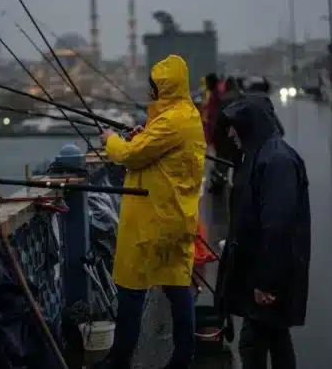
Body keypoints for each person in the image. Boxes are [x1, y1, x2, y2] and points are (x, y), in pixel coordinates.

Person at [97, 54, 206, 369]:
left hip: (153, 221)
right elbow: (156, 148)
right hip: (176, 216)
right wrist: (141, 134)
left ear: (164, 88)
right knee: (176, 287)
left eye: (154, 87)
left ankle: (119, 360)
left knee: (131, 290)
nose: (150, 93)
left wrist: (111, 140)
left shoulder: (172, 121)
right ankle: (183, 357)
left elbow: (132, 156)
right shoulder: (185, 115)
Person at [214, 97, 311, 369]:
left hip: (270, 276)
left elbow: (277, 226)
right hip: (265, 273)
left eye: (235, 127)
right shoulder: (260, 156)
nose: (231, 132)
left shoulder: (276, 161)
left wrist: (267, 282)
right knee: (276, 339)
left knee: (253, 344)